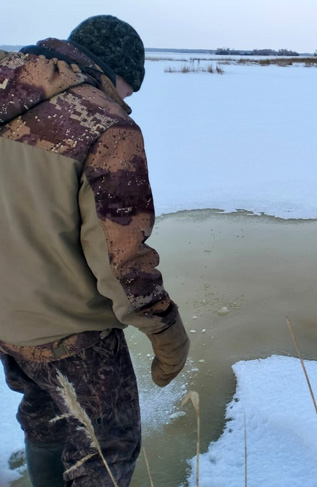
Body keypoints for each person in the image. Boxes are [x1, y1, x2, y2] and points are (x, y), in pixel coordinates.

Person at [0, 15, 189, 487]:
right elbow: (119, 256)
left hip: (6, 322)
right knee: (107, 448)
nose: (125, 99)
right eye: (129, 88)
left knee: (45, 417)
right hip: (72, 332)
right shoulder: (105, 126)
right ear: (115, 71)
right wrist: (166, 334)